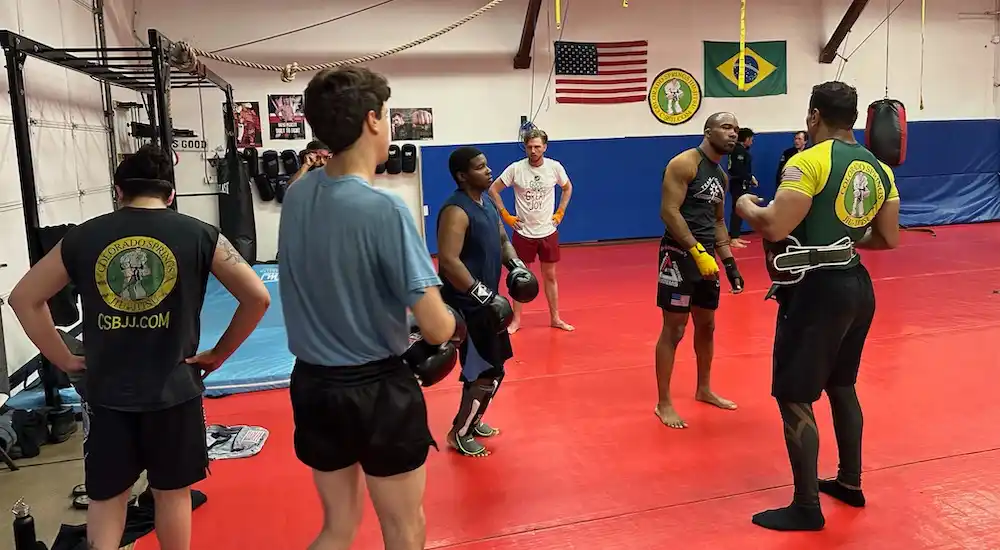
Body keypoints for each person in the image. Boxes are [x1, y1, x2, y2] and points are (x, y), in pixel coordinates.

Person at [8, 144, 271, 550]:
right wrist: (219, 354)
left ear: (118, 191)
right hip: (175, 389)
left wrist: (62, 357)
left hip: (107, 391)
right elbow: (258, 297)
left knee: (107, 496)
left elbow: (23, 297)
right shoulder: (201, 234)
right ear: (170, 194)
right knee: (172, 493)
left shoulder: (84, 236)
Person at [279, 66, 463, 550]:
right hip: (376, 390)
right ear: (372, 121)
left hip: (314, 384)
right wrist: (456, 320)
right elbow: (437, 327)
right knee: (404, 527)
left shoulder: (298, 194)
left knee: (337, 527)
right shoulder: (385, 210)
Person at [735, 81, 900, 531]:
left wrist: (746, 205)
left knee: (793, 394)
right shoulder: (878, 167)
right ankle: (849, 482)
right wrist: (840, 241)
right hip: (856, 285)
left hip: (815, 290)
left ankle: (806, 506)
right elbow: (888, 238)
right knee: (841, 385)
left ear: (813, 116)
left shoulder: (809, 160)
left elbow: (774, 225)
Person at [438, 146, 538, 457]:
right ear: (462, 175)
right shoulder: (456, 210)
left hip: (489, 304)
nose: (488, 170)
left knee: (492, 368)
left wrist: (517, 267)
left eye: (486, 165)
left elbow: (503, 241)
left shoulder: (488, 205)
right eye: (480, 167)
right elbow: (449, 262)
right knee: (485, 371)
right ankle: (461, 432)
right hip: (467, 305)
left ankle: (472, 417)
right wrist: (484, 295)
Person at [654, 112, 746, 429]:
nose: (733, 133)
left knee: (707, 326)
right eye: (726, 127)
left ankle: (703, 388)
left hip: (707, 258)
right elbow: (669, 211)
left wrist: (729, 262)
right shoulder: (684, 164)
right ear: (708, 131)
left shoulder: (720, 176)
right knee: (675, 330)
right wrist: (695, 250)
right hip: (678, 256)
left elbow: (719, 221)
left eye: (736, 128)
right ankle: (663, 402)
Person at [488, 128, 574, 333]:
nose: (533, 151)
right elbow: (493, 189)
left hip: (547, 230)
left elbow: (567, 187)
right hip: (524, 232)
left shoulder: (554, 167)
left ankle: (555, 318)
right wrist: (505, 215)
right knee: (520, 277)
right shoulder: (516, 169)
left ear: (545, 147)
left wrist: (560, 211)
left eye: (537, 146)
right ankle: (516, 320)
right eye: (529, 147)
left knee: (550, 275)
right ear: (525, 148)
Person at [726, 127, 757, 247]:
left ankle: (736, 236)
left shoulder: (739, 150)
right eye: (751, 139)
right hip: (739, 184)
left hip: (740, 183)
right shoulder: (739, 151)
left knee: (740, 210)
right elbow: (738, 170)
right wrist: (749, 178)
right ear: (747, 139)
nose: (752, 142)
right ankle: (733, 238)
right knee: (737, 210)